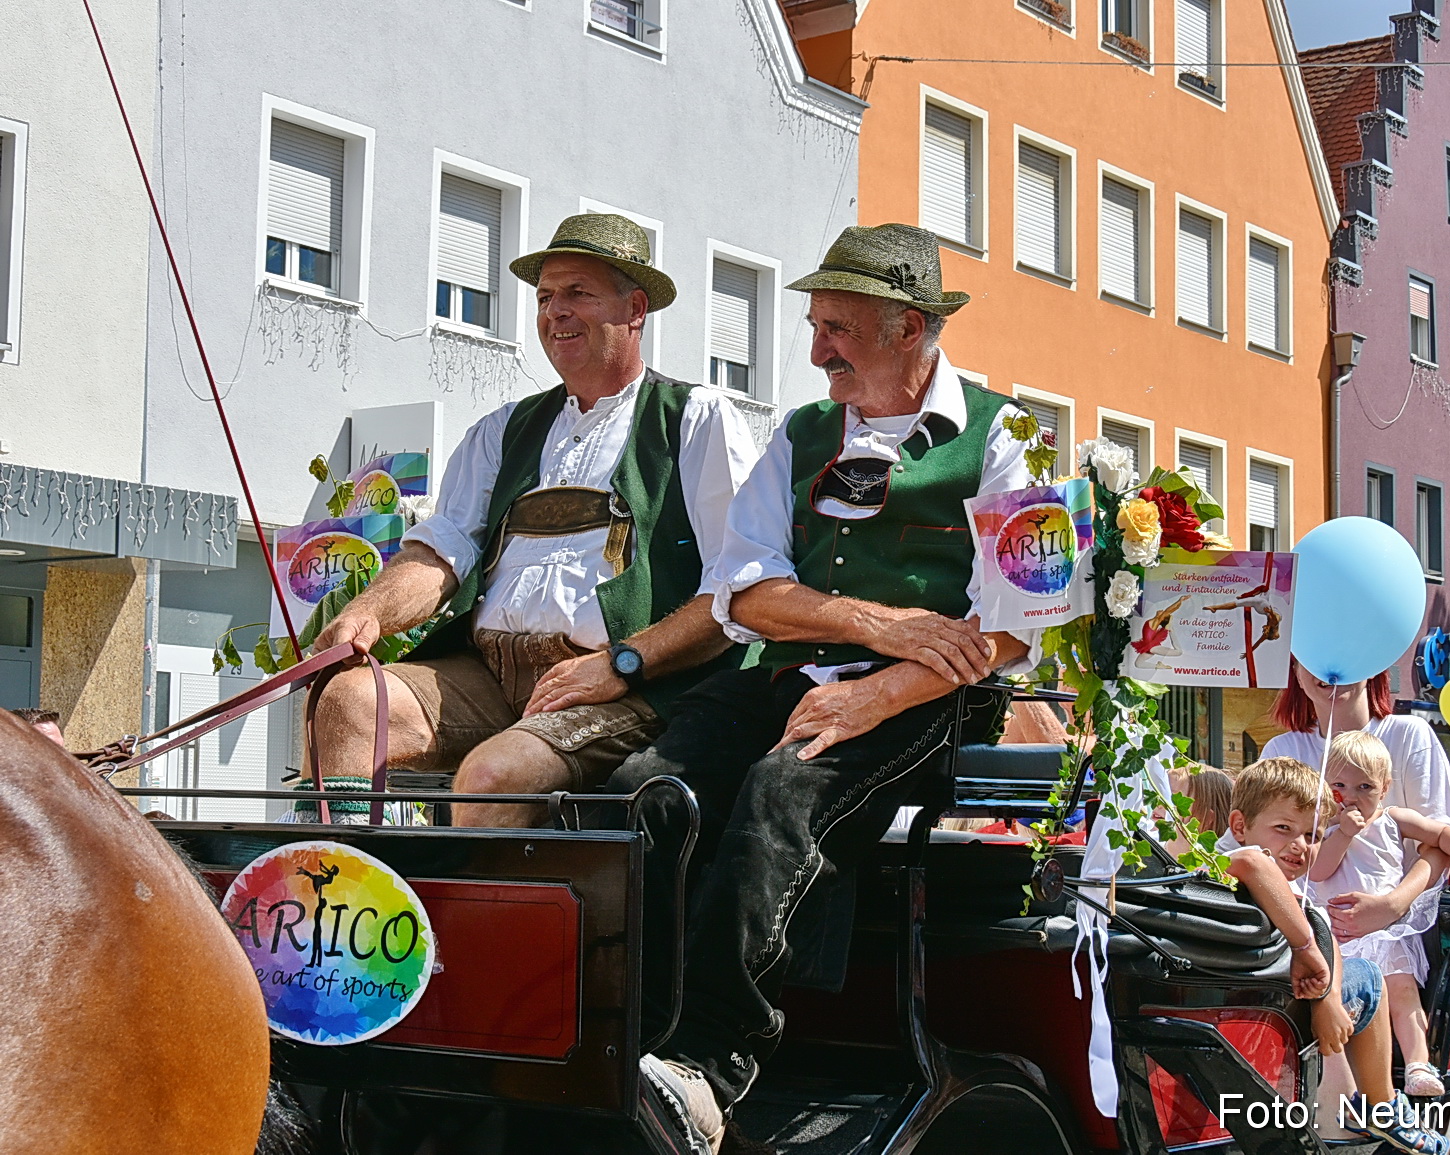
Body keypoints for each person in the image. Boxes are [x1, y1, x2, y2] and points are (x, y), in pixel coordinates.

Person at [613, 223, 1041, 1153]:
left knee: (782, 791)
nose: (816, 352)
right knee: (638, 792)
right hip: (794, 670)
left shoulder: (1005, 435)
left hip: (932, 697)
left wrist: (876, 690)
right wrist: (872, 624)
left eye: (838, 328)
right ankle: (630, 1031)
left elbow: (1013, 622)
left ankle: (708, 1065)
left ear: (913, 327)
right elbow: (746, 592)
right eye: (816, 326)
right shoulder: (804, 432)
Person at [307, 214, 757, 827]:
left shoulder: (695, 418)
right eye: (546, 297)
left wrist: (622, 663)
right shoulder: (501, 430)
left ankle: (465, 921)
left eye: (578, 293)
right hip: (492, 678)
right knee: (348, 703)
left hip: (630, 686)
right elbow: (441, 550)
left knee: (495, 775)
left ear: (635, 308)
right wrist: (368, 613)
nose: (555, 312)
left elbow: (738, 590)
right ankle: (350, 893)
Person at [1220, 756, 1447, 1155]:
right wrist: (1312, 958)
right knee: (1372, 979)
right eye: (1284, 829)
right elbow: (1256, 865)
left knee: (1353, 968)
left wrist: (1326, 991)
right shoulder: (1241, 862)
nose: (1299, 846)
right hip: (1275, 1002)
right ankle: (1384, 1106)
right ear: (1240, 826)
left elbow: (1322, 933)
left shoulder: (1215, 860)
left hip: (1266, 997)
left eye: (1313, 836)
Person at [1310, 731, 1450, 1097]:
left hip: (1384, 930)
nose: (1353, 797)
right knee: (1344, 1001)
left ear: (1385, 788)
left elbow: (1440, 833)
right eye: (1340, 785)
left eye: (1365, 786)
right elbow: (1318, 871)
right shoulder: (1322, 828)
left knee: (1403, 992)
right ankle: (1350, 1083)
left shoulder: (1393, 818)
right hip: (1338, 933)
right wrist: (1342, 834)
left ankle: (1418, 1064)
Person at [1262, 660, 1450, 941]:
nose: (1329, 668)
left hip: (1398, 930)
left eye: (1344, 654)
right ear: (1296, 672)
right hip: (1303, 932)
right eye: (1314, 658)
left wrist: (1392, 905)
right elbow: (1265, 848)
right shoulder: (1281, 750)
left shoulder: (1409, 734)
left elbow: (1442, 843)